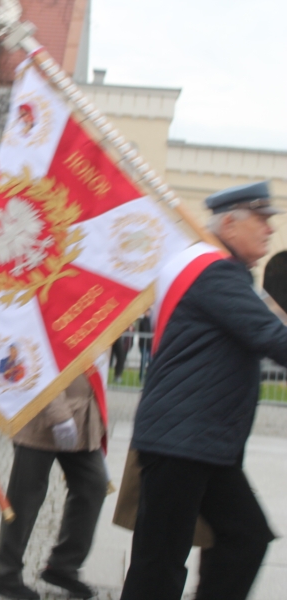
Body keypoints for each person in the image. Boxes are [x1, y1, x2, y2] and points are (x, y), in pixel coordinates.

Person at [120, 181, 287, 600]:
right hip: (182, 442)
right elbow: (272, 337)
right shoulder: (216, 273)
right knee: (158, 567)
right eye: (261, 219)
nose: (270, 229)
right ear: (229, 224)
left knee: (244, 538)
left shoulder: (218, 271)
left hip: (201, 443)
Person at [0, 374, 106, 599]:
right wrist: (58, 414)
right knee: (25, 496)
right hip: (39, 413)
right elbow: (38, 365)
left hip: (82, 414)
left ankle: (64, 566)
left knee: (93, 485)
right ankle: (4, 572)